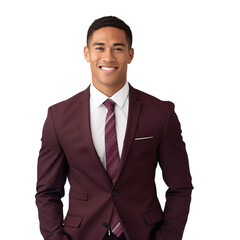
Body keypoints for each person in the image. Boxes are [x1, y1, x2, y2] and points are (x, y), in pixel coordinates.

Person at [35, 16, 193, 240]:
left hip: (143, 233)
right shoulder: (58, 116)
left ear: (130, 54)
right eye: (100, 48)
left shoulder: (161, 114)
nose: (108, 57)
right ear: (87, 53)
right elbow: (47, 192)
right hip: (81, 234)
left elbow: (181, 187)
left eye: (118, 48)